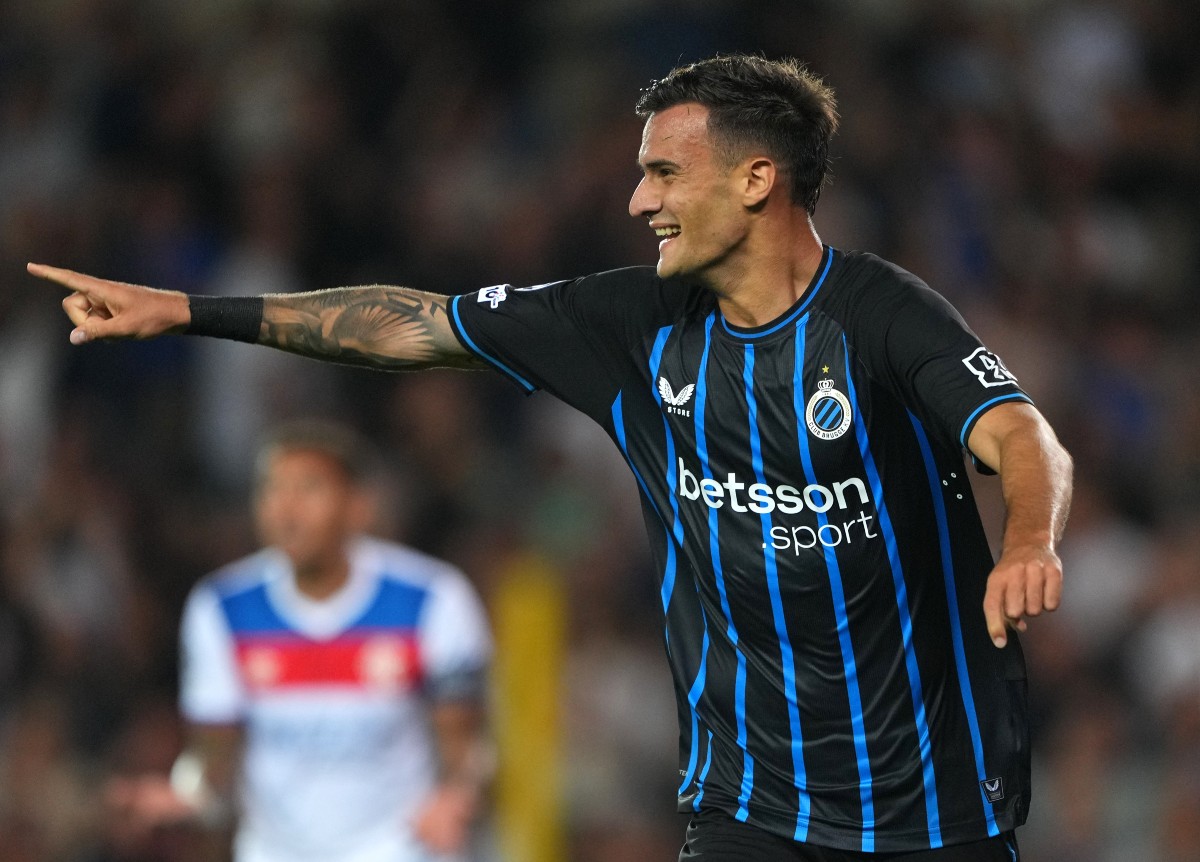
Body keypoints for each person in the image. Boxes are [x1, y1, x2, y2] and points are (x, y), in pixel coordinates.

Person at [30, 54, 1072, 861]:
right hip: (748, 801)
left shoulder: (880, 318)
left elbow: (1020, 435)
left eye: (665, 171)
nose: (638, 200)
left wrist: (1027, 540)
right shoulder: (630, 323)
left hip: (936, 798)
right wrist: (185, 310)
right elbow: (410, 324)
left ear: (759, 178)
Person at [106, 420, 494, 862]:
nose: (286, 510)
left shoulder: (431, 599)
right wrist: (188, 793)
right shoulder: (223, 608)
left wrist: (454, 797)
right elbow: (213, 750)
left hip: (400, 848)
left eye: (309, 489)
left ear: (359, 506)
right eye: (272, 490)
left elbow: (465, 740)